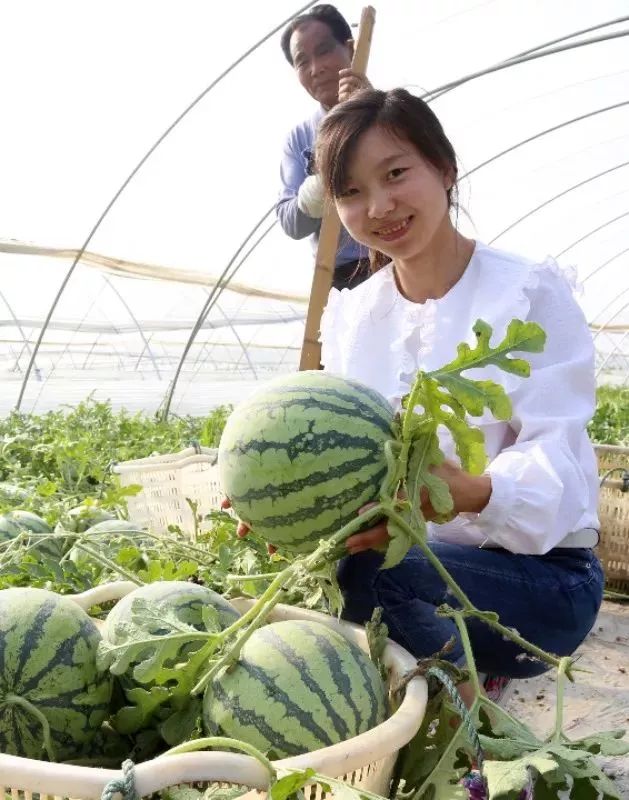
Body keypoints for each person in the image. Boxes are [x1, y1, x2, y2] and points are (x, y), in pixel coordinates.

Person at [312, 87, 604, 685]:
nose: (379, 206)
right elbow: (344, 456)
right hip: (417, 572)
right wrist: (284, 500)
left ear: (444, 168)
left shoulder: (529, 292)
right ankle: (433, 709)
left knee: (379, 573)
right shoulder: (351, 317)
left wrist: (471, 492)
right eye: (351, 192)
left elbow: (560, 463)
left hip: (545, 582)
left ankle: (462, 713)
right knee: (342, 567)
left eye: (396, 173)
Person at [277, 4, 372, 290]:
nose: (316, 69)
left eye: (324, 50)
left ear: (350, 49)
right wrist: (321, 184)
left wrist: (370, 116)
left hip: (403, 261)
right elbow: (291, 223)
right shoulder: (301, 138)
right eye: (302, 62)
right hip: (343, 278)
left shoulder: (397, 113)